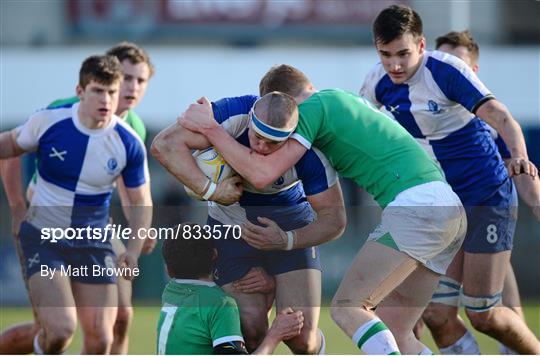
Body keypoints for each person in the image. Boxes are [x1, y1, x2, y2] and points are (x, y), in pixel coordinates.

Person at [177, 64, 467, 354]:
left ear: (288, 102)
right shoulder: (341, 99)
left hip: (416, 207)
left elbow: (262, 174)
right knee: (396, 330)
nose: (284, 128)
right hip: (449, 207)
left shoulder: (312, 109)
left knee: (348, 308)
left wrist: (211, 128)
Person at [359, 5, 539, 354]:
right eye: (385, 55)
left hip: (485, 197)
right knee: (438, 314)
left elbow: (502, 118)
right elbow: (360, 133)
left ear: (422, 46)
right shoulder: (376, 83)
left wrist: (519, 155)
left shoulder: (445, 71)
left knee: (483, 313)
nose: (394, 64)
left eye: (403, 54)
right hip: (442, 207)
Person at [152, 91, 346, 353]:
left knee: (301, 339)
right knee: (249, 326)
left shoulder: (310, 151)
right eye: (257, 137)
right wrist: (212, 191)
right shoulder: (232, 117)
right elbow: (163, 144)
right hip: (231, 229)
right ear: (252, 118)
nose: (262, 147)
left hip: (291, 227)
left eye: (273, 143)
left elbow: (335, 221)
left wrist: (287, 240)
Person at [0, 42, 155, 355]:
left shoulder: (131, 134)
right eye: (124, 79)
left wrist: (136, 243)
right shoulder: (55, 116)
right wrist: (17, 208)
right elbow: (11, 149)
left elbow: (136, 198)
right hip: (44, 231)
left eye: (139, 81)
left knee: (110, 329)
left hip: (93, 235)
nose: (128, 89)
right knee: (57, 331)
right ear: (82, 90)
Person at [414, 29, 540, 355]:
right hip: (445, 222)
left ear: (472, 72)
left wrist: (536, 202)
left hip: (487, 221)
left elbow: (520, 168)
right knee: (435, 314)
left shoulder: (485, 122)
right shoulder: (418, 113)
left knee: (495, 319)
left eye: (456, 65)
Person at [157, 222, 304, 355]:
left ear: (168, 270)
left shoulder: (170, 291)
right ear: (215, 255)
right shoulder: (220, 304)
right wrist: (276, 334)